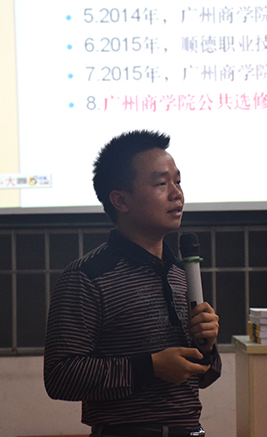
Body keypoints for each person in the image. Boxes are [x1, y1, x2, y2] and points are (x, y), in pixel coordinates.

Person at [44, 130, 221, 437]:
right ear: (120, 200)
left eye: (178, 181)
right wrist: (150, 367)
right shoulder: (87, 276)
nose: (177, 194)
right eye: (161, 183)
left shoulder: (180, 274)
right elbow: (60, 377)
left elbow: (203, 377)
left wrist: (207, 348)